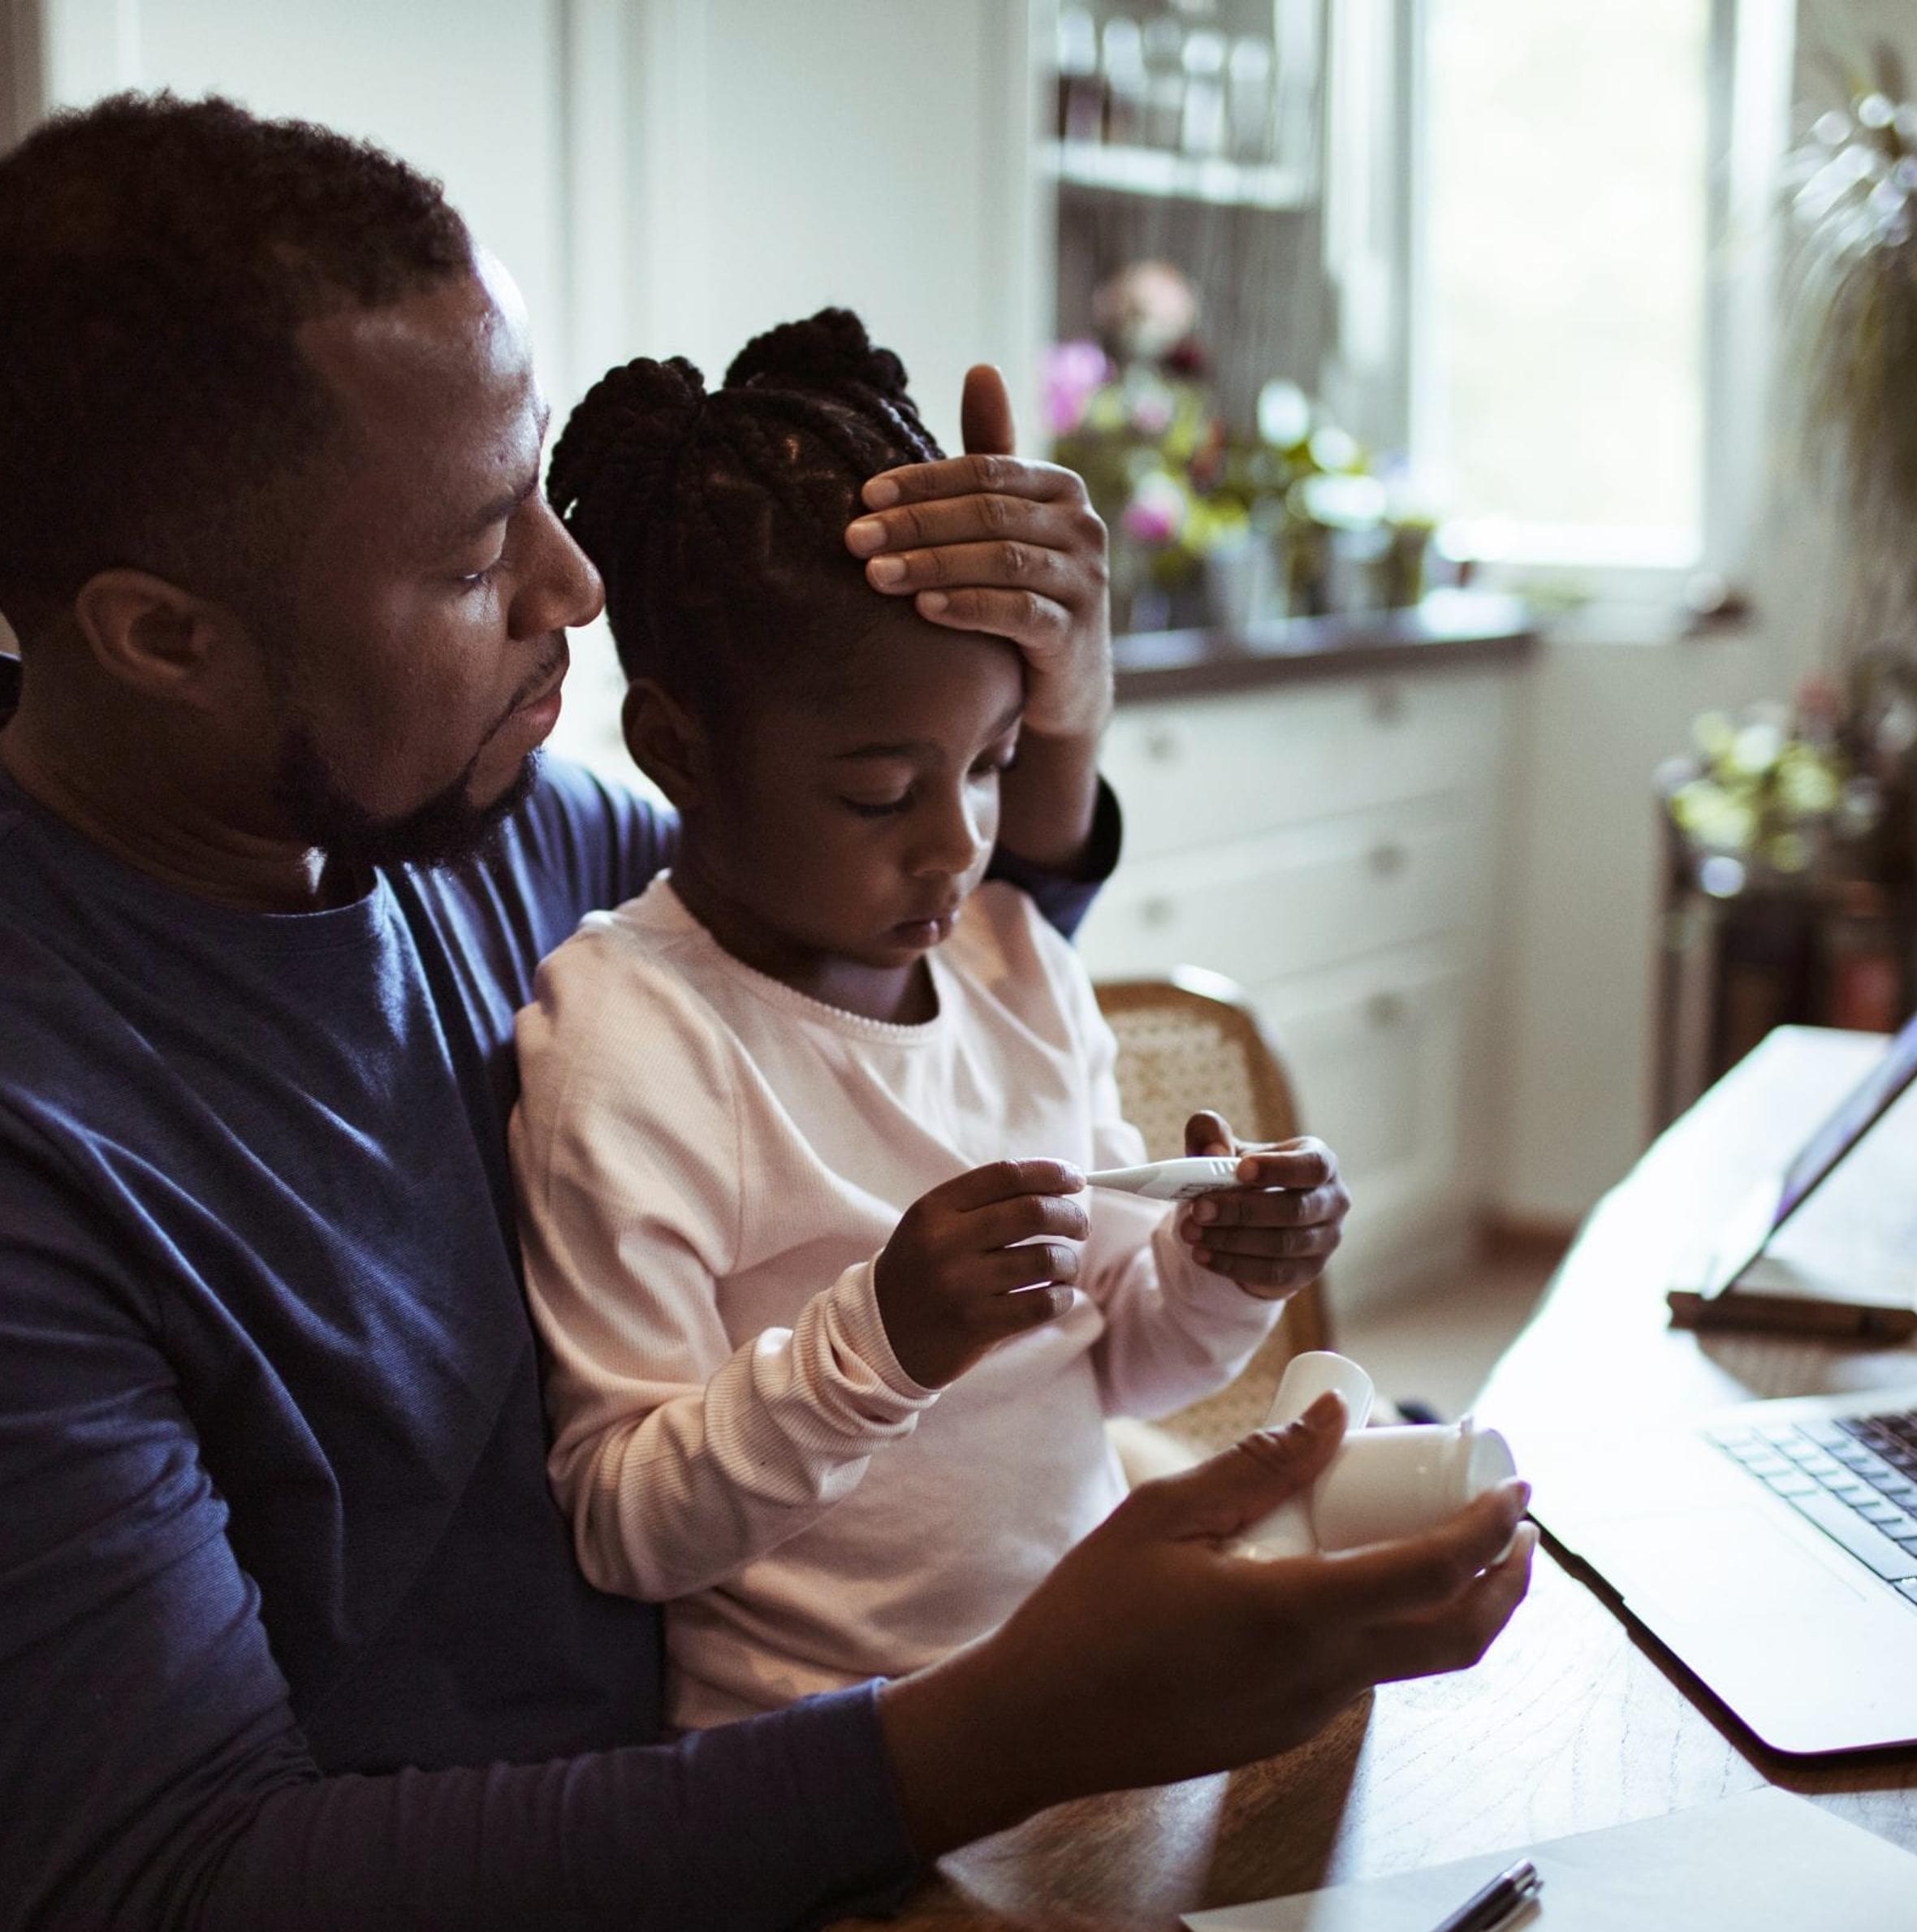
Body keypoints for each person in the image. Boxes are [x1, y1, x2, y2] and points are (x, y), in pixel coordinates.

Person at [0, 98, 1531, 1932]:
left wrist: (1043, 708)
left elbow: (867, 953)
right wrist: (1004, 1720)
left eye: (537, 491)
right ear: (164, 635)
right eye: (477, 550)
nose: (570, 583)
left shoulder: (483, 830)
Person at [517, 313, 1325, 1732]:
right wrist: (879, 1343)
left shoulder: (1014, 964)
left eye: (995, 767)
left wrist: (1218, 1273)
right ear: (678, 750)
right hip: (832, 1773)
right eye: (883, 794)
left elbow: (1122, 1367)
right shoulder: (632, 1041)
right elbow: (625, 1524)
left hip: (1087, 1694)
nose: (958, 847)